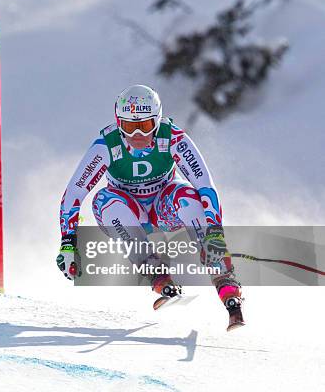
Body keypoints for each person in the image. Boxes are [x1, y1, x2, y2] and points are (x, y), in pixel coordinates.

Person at [56, 84, 244, 331]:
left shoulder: (172, 137)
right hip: (128, 211)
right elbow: (74, 193)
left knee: (189, 197)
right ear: (118, 122)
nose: (136, 134)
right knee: (104, 201)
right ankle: (156, 273)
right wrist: (68, 242)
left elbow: (205, 185)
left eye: (144, 126)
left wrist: (215, 233)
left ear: (156, 120)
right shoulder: (106, 145)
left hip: (163, 208)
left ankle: (223, 277)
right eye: (128, 126)